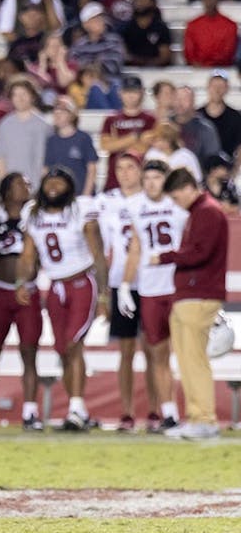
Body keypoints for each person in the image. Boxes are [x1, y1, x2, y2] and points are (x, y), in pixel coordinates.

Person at [15, 167, 109, 431]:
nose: (53, 186)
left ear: (70, 186)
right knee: (62, 349)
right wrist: (22, 281)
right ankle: (77, 409)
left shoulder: (80, 209)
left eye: (59, 182)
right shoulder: (33, 213)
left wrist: (104, 295)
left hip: (81, 282)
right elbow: (27, 255)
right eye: (49, 182)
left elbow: (98, 254)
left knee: (73, 343)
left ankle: (76, 408)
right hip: (55, 286)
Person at [156, 169, 229, 440]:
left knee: (194, 360)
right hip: (190, 294)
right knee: (187, 360)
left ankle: (205, 419)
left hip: (198, 293)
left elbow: (200, 252)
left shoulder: (207, 212)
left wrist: (165, 256)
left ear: (189, 188)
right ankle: (198, 417)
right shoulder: (201, 211)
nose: (176, 203)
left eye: (176, 197)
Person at [118, 159, 185, 432]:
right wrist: (125, 284)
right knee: (157, 353)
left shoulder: (179, 205)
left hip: (179, 286)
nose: (151, 183)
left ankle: (193, 409)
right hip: (150, 288)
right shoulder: (135, 206)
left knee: (186, 351)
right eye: (147, 178)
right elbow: (136, 247)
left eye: (157, 178)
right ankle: (168, 412)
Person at [0, 173, 43, 431]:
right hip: (1, 291)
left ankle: (29, 412)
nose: (25, 187)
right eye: (18, 183)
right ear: (5, 190)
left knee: (29, 352)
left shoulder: (36, 217)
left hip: (28, 291)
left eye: (28, 183)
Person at [96, 152, 152, 431]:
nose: (125, 172)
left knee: (155, 350)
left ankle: (157, 411)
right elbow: (102, 248)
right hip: (120, 281)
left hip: (152, 282)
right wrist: (103, 293)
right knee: (126, 350)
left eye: (131, 167)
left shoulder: (152, 198)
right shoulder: (106, 202)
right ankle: (127, 412)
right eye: (120, 167)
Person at [0, 80, 52, 189]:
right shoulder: (5, 124)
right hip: (11, 186)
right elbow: (0, 157)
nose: (20, 98)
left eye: (24, 94)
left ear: (32, 96)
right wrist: (2, 184)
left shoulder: (44, 125)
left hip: (37, 184)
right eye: (15, 95)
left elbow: (48, 159)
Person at [100, 75, 155, 190]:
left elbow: (144, 149)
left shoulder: (151, 119)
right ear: (120, 93)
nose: (130, 96)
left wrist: (118, 142)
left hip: (141, 183)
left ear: (142, 93)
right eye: (126, 91)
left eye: (134, 92)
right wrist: (136, 137)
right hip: (113, 181)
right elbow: (106, 146)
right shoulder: (111, 119)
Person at [45, 96, 99, 196]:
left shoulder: (83, 138)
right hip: (59, 197)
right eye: (56, 110)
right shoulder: (51, 141)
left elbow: (92, 169)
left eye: (63, 111)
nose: (58, 114)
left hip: (80, 196)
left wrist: (86, 196)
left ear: (72, 115)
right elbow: (46, 170)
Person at [183, 0, 237, 67]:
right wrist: (197, 64)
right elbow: (189, 51)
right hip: (197, 69)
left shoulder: (230, 25)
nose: (209, 1)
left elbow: (228, 51)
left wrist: (210, 65)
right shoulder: (193, 25)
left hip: (222, 69)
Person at [69, 1, 125, 83]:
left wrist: (90, 66)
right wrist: (95, 63)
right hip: (85, 83)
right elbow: (74, 65)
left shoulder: (114, 40)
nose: (101, 22)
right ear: (85, 24)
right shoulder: (79, 44)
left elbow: (114, 65)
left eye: (102, 19)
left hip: (109, 82)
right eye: (96, 20)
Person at [172, 86, 222, 164]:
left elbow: (213, 159)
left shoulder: (205, 128)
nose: (179, 103)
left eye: (184, 99)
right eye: (177, 99)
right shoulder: (165, 125)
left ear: (193, 102)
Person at [121, 0, 171, 67]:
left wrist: (148, 63)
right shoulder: (126, 27)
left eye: (144, 0)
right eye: (138, 0)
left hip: (157, 69)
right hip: (132, 69)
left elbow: (165, 56)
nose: (140, 3)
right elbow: (125, 55)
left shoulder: (161, 28)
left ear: (153, 3)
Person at [199, 72, 241, 159]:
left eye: (221, 87)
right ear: (208, 88)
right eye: (214, 86)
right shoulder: (197, 116)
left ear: (227, 89)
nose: (217, 90)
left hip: (228, 167)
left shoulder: (236, 117)